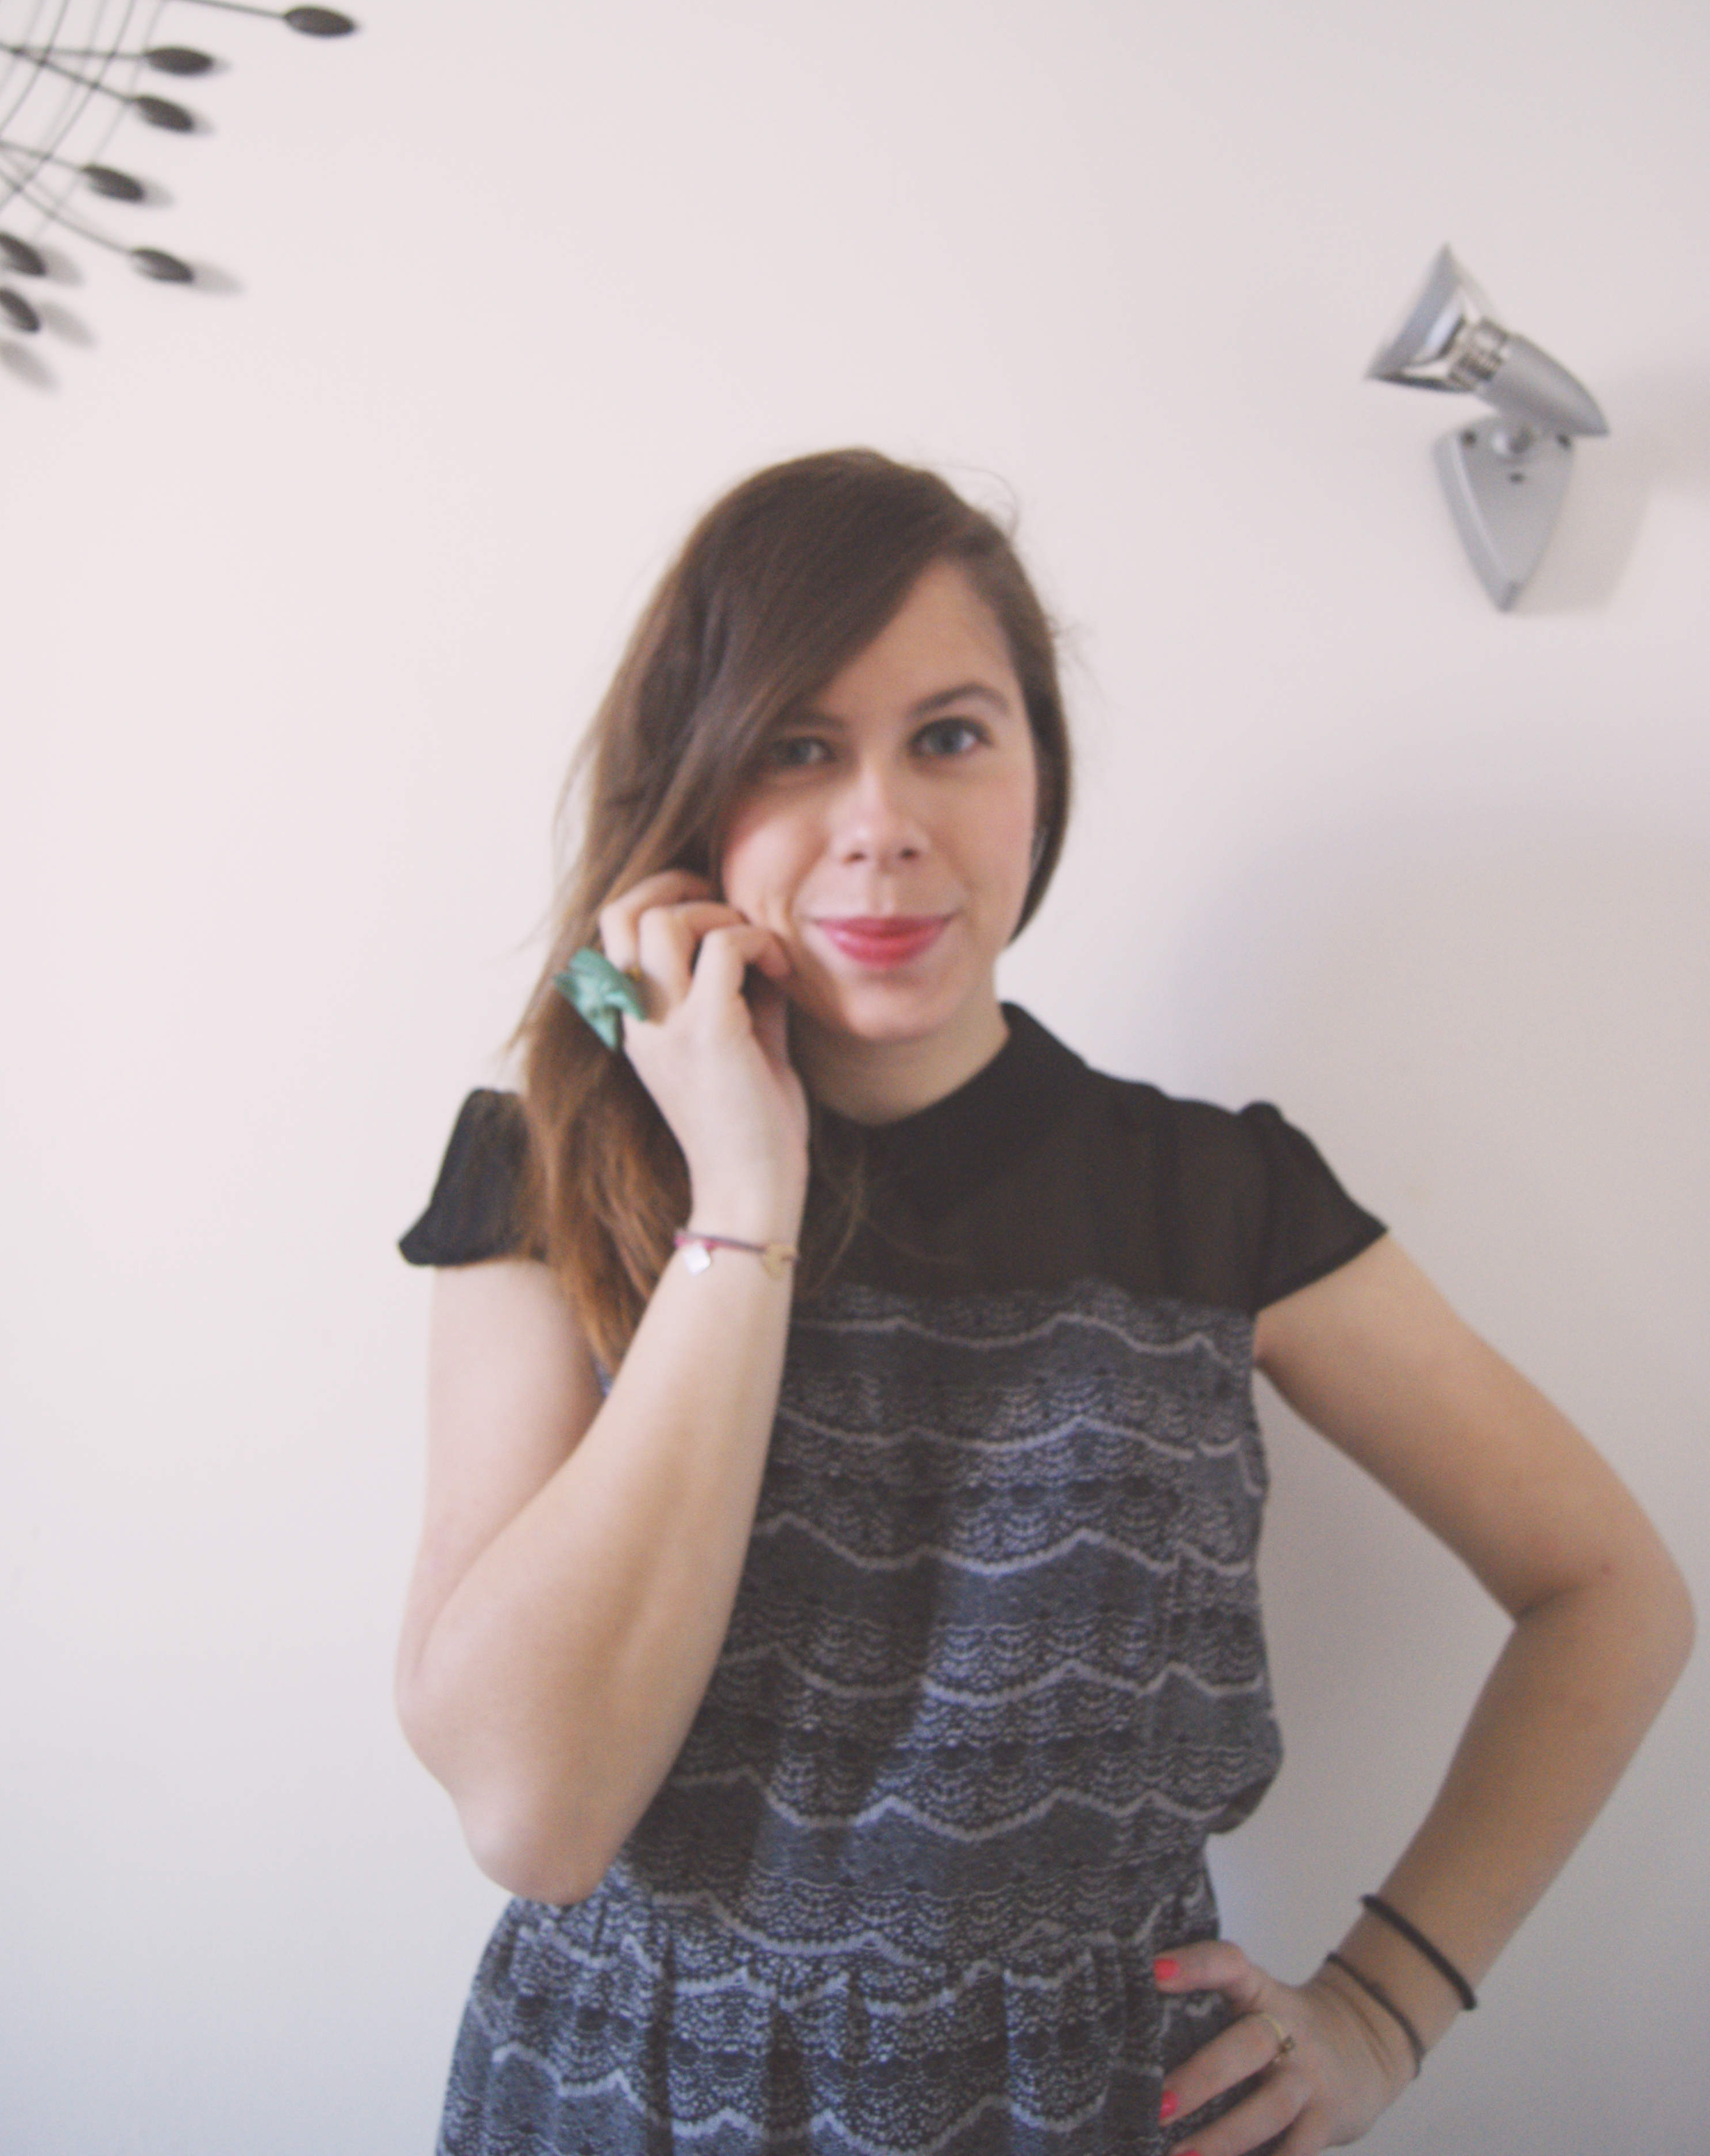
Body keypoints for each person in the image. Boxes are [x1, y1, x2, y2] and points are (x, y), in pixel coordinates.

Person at [395, 449, 1690, 2156]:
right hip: (628, 2100)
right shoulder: (548, 1174)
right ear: (693, 790)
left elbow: (1608, 1590)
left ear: (1039, 778)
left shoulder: (1215, 1200)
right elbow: (532, 1814)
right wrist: (744, 1202)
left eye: (950, 737)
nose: (883, 823)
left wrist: (1386, 2007)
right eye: (798, 746)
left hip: (1087, 2109)